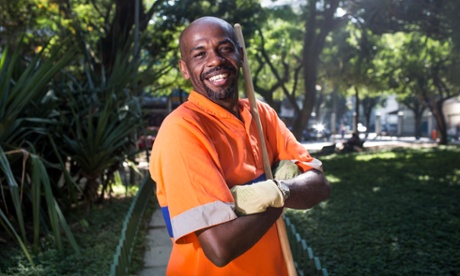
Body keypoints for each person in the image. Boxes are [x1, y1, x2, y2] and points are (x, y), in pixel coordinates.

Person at [149, 16, 331, 275]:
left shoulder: (262, 115)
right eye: (200, 54)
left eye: (224, 48)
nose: (215, 60)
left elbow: (320, 185)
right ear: (185, 68)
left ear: (240, 54)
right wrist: (281, 194)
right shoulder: (182, 129)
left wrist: (272, 192)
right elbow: (220, 247)